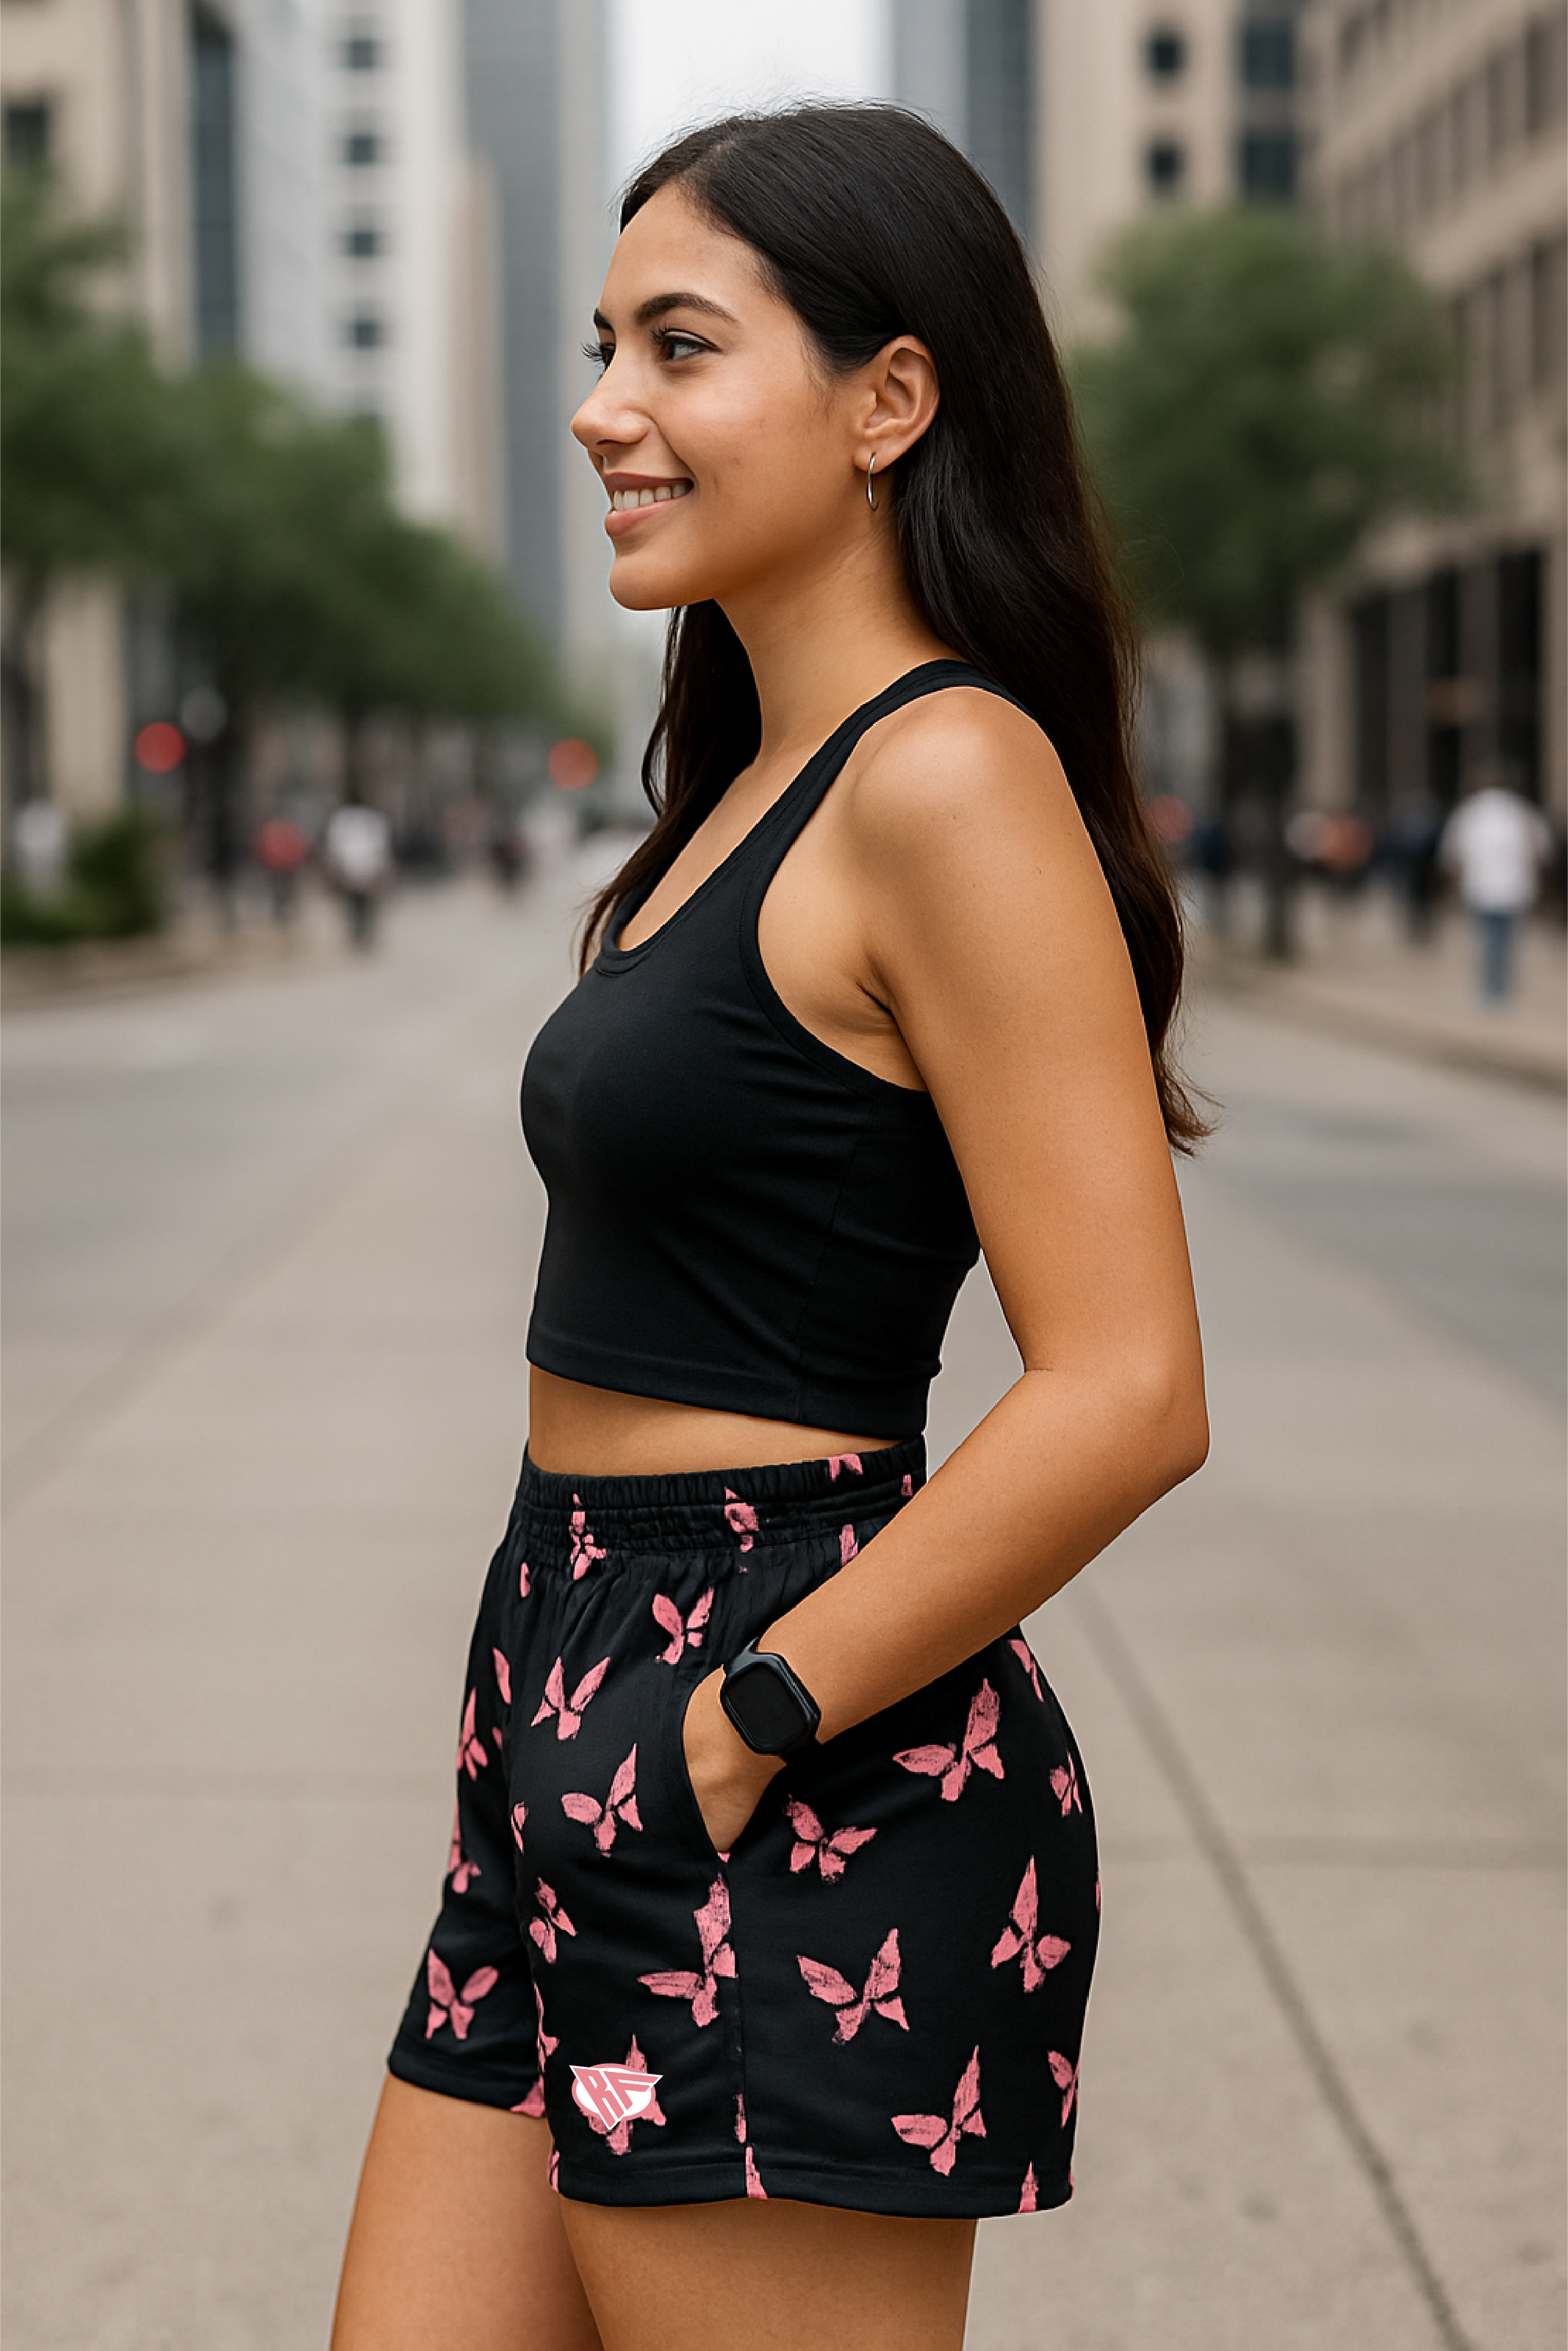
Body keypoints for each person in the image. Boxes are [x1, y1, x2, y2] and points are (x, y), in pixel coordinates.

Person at [330, 106, 1209, 2351]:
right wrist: (597, 1712)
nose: (603, 403)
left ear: (889, 398)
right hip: (564, 1662)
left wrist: (733, 1715)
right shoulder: (739, 783)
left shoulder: (948, 777)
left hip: (772, 1726)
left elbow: (1126, 1384)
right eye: (606, 340)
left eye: (682, 345)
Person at [1439, 766, 1552, 1002]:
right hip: (1515, 886)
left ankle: (1492, 988)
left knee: (1488, 938)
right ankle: (1500, 986)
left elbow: (1452, 854)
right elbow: (1542, 851)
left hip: (1480, 886)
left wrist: (1452, 887)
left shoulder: (1469, 812)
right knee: (1506, 939)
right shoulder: (1522, 811)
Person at [323, 790, 393, 949]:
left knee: (360, 904)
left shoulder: (346, 819)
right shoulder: (348, 820)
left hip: (359, 869)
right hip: (360, 868)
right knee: (358, 904)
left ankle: (362, 934)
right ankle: (360, 934)